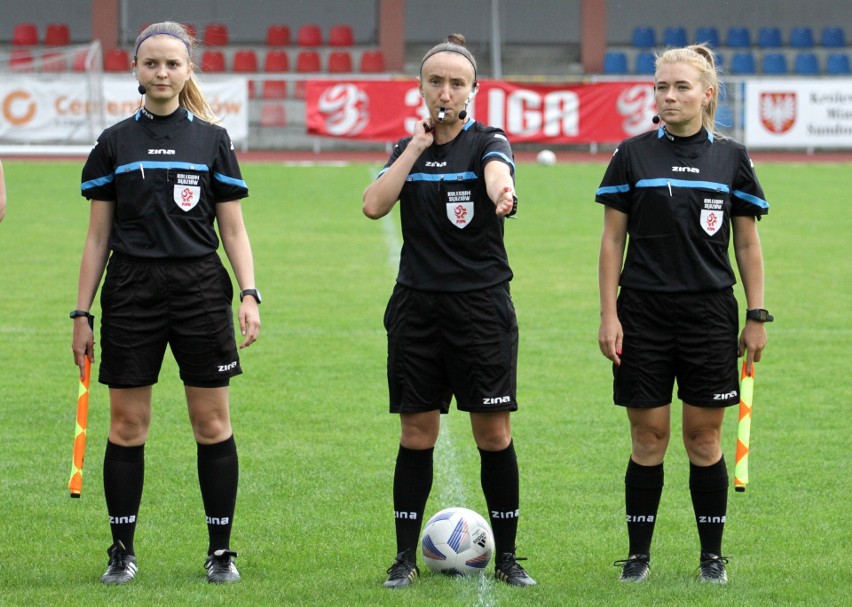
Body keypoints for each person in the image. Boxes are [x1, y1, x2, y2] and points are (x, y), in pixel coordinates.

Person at [71, 21, 260, 585]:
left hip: (201, 290)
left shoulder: (211, 139)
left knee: (212, 421)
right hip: (131, 292)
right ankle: (121, 550)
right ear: (135, 69)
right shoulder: (113, 143)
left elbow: (235, 230)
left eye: (172, 64)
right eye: (151, 64)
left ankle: (220, 551)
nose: (161, 73)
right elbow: (97, 238)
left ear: (187, 71)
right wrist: (82, 313)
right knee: (128, 425)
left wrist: (249, 292)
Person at [363, 33, 535, 589]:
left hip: (481, 309)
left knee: (494, 435)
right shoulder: (404, 148)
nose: (445, 90)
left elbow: (497, 172)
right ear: (420, 87)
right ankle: (403, 559)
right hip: (417, 310)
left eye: (456, 82)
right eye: (435, 80)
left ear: (473, 90)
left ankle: (507, 557)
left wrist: (502, 192)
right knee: (417, 434)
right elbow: (373, 205)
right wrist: (414, 148)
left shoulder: (489, 141)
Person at [596, 44, 771, 585]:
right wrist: (609, 315)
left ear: (707, 93)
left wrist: (757, 314)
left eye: (681, 88)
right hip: (642, 314)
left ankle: (710, 557)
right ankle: (638, 556)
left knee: (703, 438)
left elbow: (747, 244)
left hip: (709, 316)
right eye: (662, 88)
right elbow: (611, 242)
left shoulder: (731, 157)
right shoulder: (631, 154)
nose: (669, 97)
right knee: (648, 437)